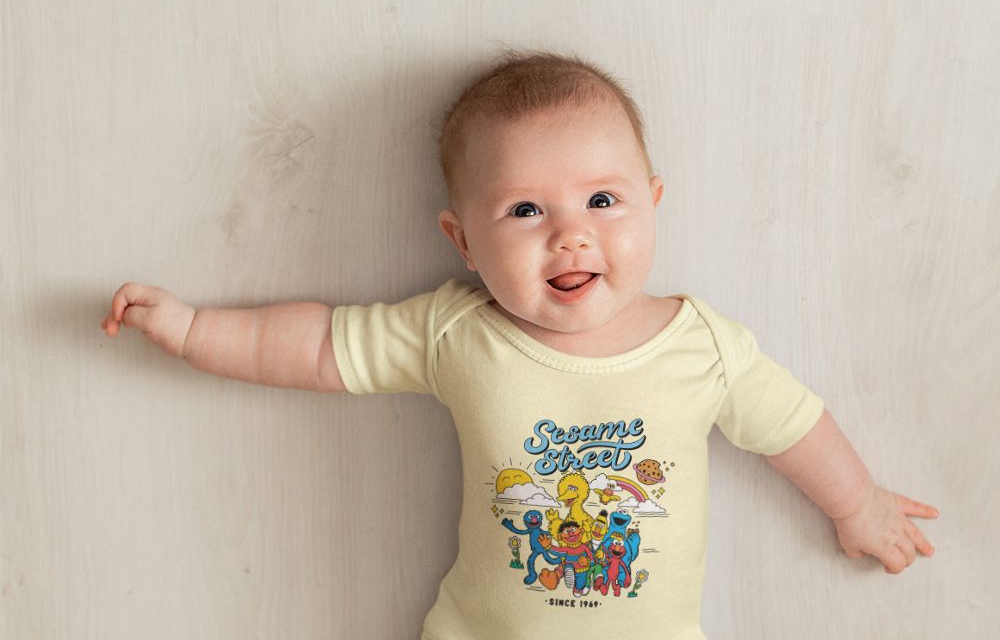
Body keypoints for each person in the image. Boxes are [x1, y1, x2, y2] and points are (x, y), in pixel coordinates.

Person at [100, 49, 939, 639]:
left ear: (652, 201)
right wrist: (193, 329)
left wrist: (857, 503)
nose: (570, 238)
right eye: (526, 212)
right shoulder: (458, 331)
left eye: (602, 201)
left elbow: (792, 426)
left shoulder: (700, 346)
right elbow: (320, 345)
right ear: (463, 241)